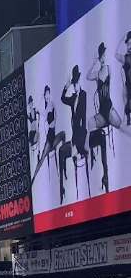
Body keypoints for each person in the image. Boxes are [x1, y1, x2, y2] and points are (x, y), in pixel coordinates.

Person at [59, 66, 88, 203]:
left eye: (77, 83)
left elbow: (84, 116)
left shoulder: (84, 95)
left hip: (82, 131)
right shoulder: (72, 98)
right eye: (74, 84)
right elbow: (62, 99)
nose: (76, 86)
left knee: (77, 148)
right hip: (74, 133)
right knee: (71, 150)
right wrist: (67, 85)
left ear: (80, 82)